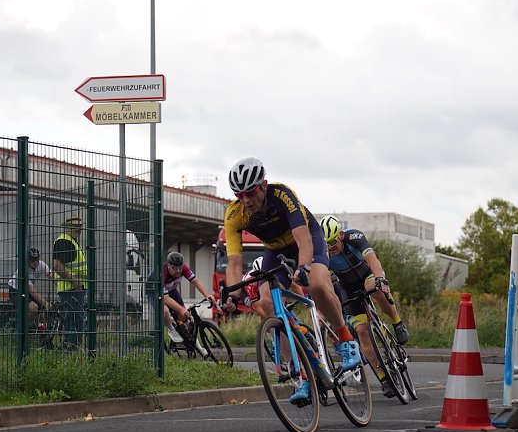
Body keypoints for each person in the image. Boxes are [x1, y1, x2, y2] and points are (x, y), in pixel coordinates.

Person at [219, 157, 362, 405]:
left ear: (263, 185)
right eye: (239, 195)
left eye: (250, 193)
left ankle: (346, 340)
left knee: (317, 284)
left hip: (307, 240)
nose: (246, 200)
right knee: (266, 304)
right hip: (275, 251)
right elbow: (233, 263)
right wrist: (232, 296)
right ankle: (301, 375)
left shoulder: (282, 195)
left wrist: (304, 267)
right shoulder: (235, 214)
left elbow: (304, 240)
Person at [319, 215, 409, 398]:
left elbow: (372, 259)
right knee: (361, 331)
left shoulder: (355, 237)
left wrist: (380, 279)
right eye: (326, 244)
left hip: (367, 275)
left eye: (333, 242)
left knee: (375, 289)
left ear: (341, 235)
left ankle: (397, 322)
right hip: (347, 287)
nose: (330, 247)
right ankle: (384, 379)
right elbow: (326, 282)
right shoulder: (324, 253)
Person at [162, 251, 215, 343]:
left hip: (171, 291)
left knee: (184, 316)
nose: (178, 271)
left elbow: (196, 281)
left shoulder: (184, 268)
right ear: (169, 267)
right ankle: (171, 329)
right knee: (165, 311)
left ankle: (193, 343)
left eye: (180, 268)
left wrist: (207, 295)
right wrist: (181, 310)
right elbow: (165, 299)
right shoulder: (163, 272)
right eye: (175, 268)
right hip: (155, 293)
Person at [53, 215, 87, 349]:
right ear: (67, 228)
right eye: (76, 228)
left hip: (73, 289)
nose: (79, 231)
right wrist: (75, 282)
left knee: (75, 322)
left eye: (80, 228)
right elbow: (57, 265)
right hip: (71, 290)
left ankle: (70, 350)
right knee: (74, 323)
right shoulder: (64, 242)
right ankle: (70, 351)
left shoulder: (71, 241)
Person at [7, 247, 54, 331]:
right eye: (33, 260)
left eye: (37, 259)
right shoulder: (23, 270)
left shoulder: (41, 264)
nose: (36, 262)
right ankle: (21, 328)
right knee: (33, 307)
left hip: (27, 291)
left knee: (41, 314)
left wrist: (60, 284)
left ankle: (41, 333)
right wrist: (46, 303)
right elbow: (32, 291)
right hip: (16, 291)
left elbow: (51, 276)